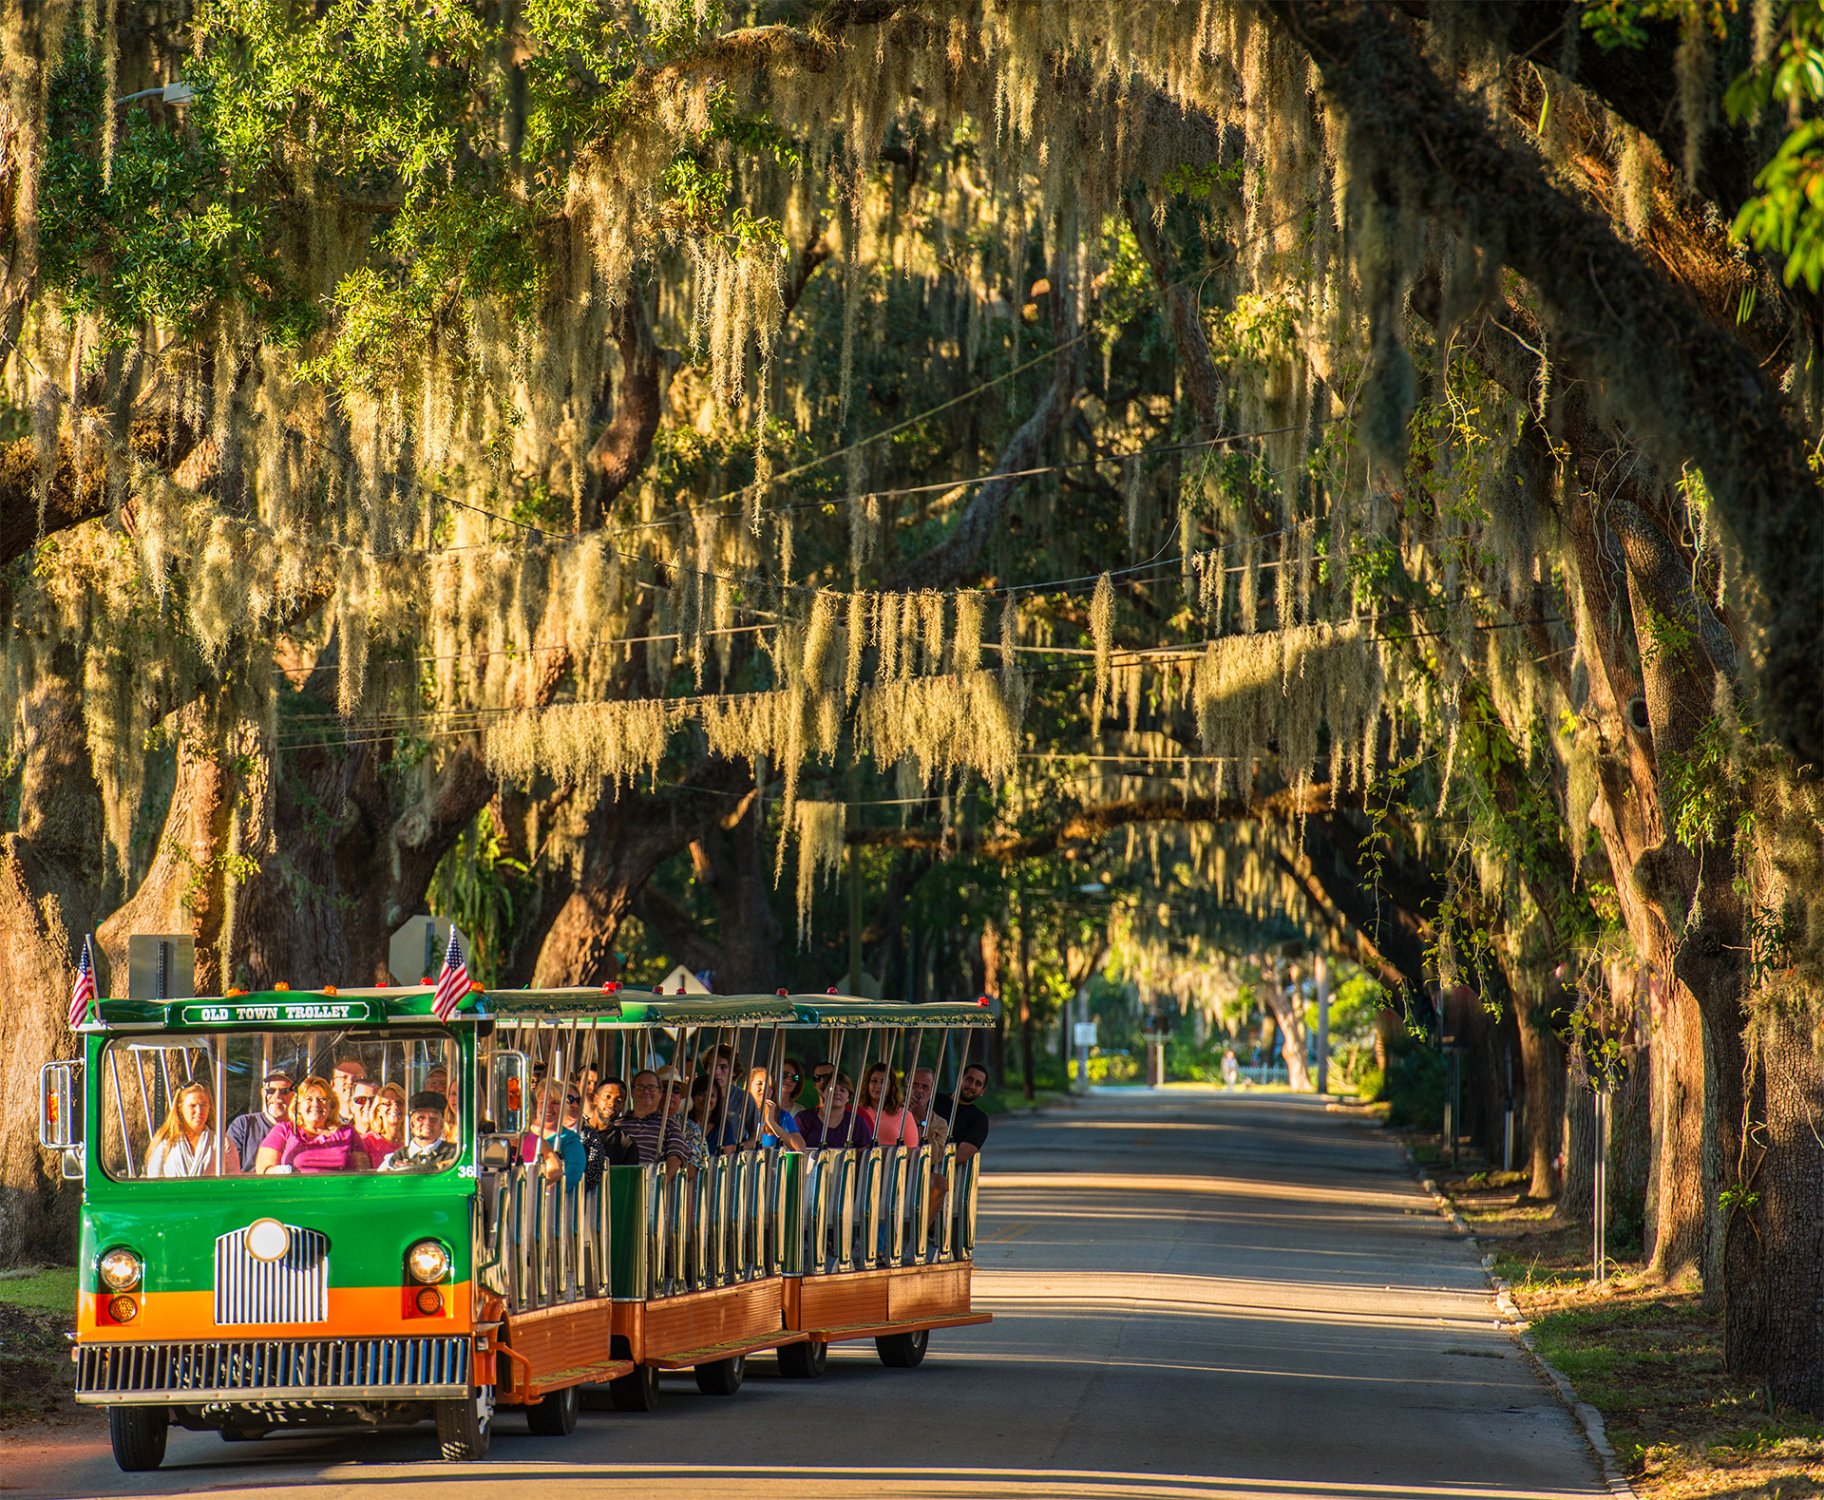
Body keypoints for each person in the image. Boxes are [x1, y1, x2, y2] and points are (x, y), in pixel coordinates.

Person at [255, 1076, 372, 1174]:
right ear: (298, 1106)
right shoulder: (284, 1130)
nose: (316, 1104)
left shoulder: (348, 1132)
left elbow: (363, 1172)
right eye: (308, 1099)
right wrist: (285, 1171)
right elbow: (264, 1170)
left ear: (331, 1106)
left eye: (322, 1099)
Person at [619, 1070, 688, 1173]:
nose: (646, 1091)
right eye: (640, 1087)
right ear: (632, 1092)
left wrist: (656, 1184)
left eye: (651, 1088)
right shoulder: (618, 1124)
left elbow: (676, 1158)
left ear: (660, 1093)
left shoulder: (669, 1125)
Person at [145, 1082, 219, 1177]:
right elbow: (154, 1185)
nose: (199, 1111)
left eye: (203, 1105)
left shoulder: (221, 1144)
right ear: (180, 1109)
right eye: (192, 1105)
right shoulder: (165, 1146)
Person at [521, 1084, 585, 1191]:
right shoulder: (522, 1135)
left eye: (555, 1103)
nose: (548, 1108)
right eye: (543, 1102)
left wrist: (542, 1189)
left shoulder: (570, 1139)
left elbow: (573, 1173)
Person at [226, 1071, 294, 1172]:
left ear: (294, 1095)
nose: (277, 1096)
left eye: (284, 1091)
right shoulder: (243, 1125)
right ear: (263, 1093)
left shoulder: (301, 1129)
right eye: (270, 1090)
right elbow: (229, 1170)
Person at [580, 1082, 640, 1191]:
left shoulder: (626, 1144)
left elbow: (627, 1186)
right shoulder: (577, 1131)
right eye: (607, 1097)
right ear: (596, 1099)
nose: (612, 1103)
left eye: (619, 1100)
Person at [379, 1092, 460, 1171]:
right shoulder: (395, 1158)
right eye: (420, 1118)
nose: (427, 1123)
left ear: (441, 1125)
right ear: (411, 1124)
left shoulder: (456, 1155)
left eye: (433, 1119)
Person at [798, 1071, 874, 1148]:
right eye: (832, 1088)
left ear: (848, 1097)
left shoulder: (858, 1124)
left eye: (842, 1090)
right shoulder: (803, 1119)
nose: (837, 1092)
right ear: (823, 1092)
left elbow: (866, 1154)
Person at [705, 1044, 759, 1151]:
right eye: (712, 1066)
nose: (717, 1072)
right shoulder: (698, 1095)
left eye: (723, 1067)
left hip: (732, 1160)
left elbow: (756, 1136)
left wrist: (737, 1148)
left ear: (734, 1071)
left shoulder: (744, 1099)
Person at [858, 1063, 920, 1149]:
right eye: (874, 1081)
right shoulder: (857, 1112)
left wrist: (886, 1152)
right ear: (867, 1084)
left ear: (891, 1086)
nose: (878, 1086)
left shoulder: (904, 1115)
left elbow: (912, 1151)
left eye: (883, 1082)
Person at [749, 1066, 805, 1150]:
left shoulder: (782, 1116)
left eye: (769, 1086)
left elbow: (800, 1147)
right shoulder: (740, 1114)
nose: (765, 1089)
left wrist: (772, 1122)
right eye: (759, 1084)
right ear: (749, 1087)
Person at [362, 1082, 406, 1165]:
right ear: (378, 1110)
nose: (395, 1107)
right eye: (387, 1104)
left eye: (399, 1102)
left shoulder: (411, 1142)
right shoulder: (366, 1142)